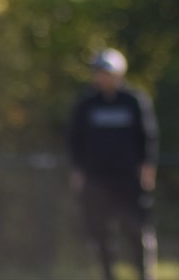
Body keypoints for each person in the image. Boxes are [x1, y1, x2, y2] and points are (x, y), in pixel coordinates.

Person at [68, 48, 159, 280]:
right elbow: (75, 140)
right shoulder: (86, 104)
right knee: (100, 232)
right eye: (98, 72)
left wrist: (147, 169)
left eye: (107, 72)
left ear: (119, 73)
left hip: (128, 179)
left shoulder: (134, 101)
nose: (102, 77)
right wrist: (78, 172)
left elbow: (148, 136)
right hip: (96, 179)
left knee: (136, 229)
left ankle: (144, 274)